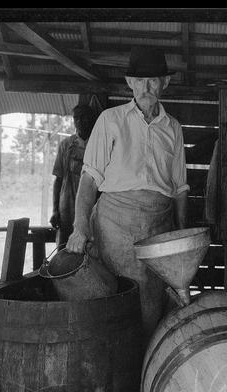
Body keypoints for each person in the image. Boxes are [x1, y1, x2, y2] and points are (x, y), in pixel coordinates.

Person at [66, 47, 189, 340]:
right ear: (129, 82)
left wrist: (183, 236)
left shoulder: (173, 128)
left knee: (153, 305)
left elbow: (180, 189)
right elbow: (89, 178)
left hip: (159, 229)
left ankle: (145, 375)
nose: (146, 88)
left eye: (153, 81)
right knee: (116, 303)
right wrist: (80, 227)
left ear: (165, 83)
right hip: (114, 228)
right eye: (140, 81)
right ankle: (116, 377)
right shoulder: (111, 120)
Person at [50, 105, 97, 249]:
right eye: (76, 118)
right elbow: (58, 180)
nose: (80, 121)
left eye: (84, 117)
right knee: (65, 249)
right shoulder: (66, 145)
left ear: (92, 120)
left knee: (90, 249)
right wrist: (55, 210)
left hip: (92, 206)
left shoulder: (98, 145)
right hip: (67, 208)